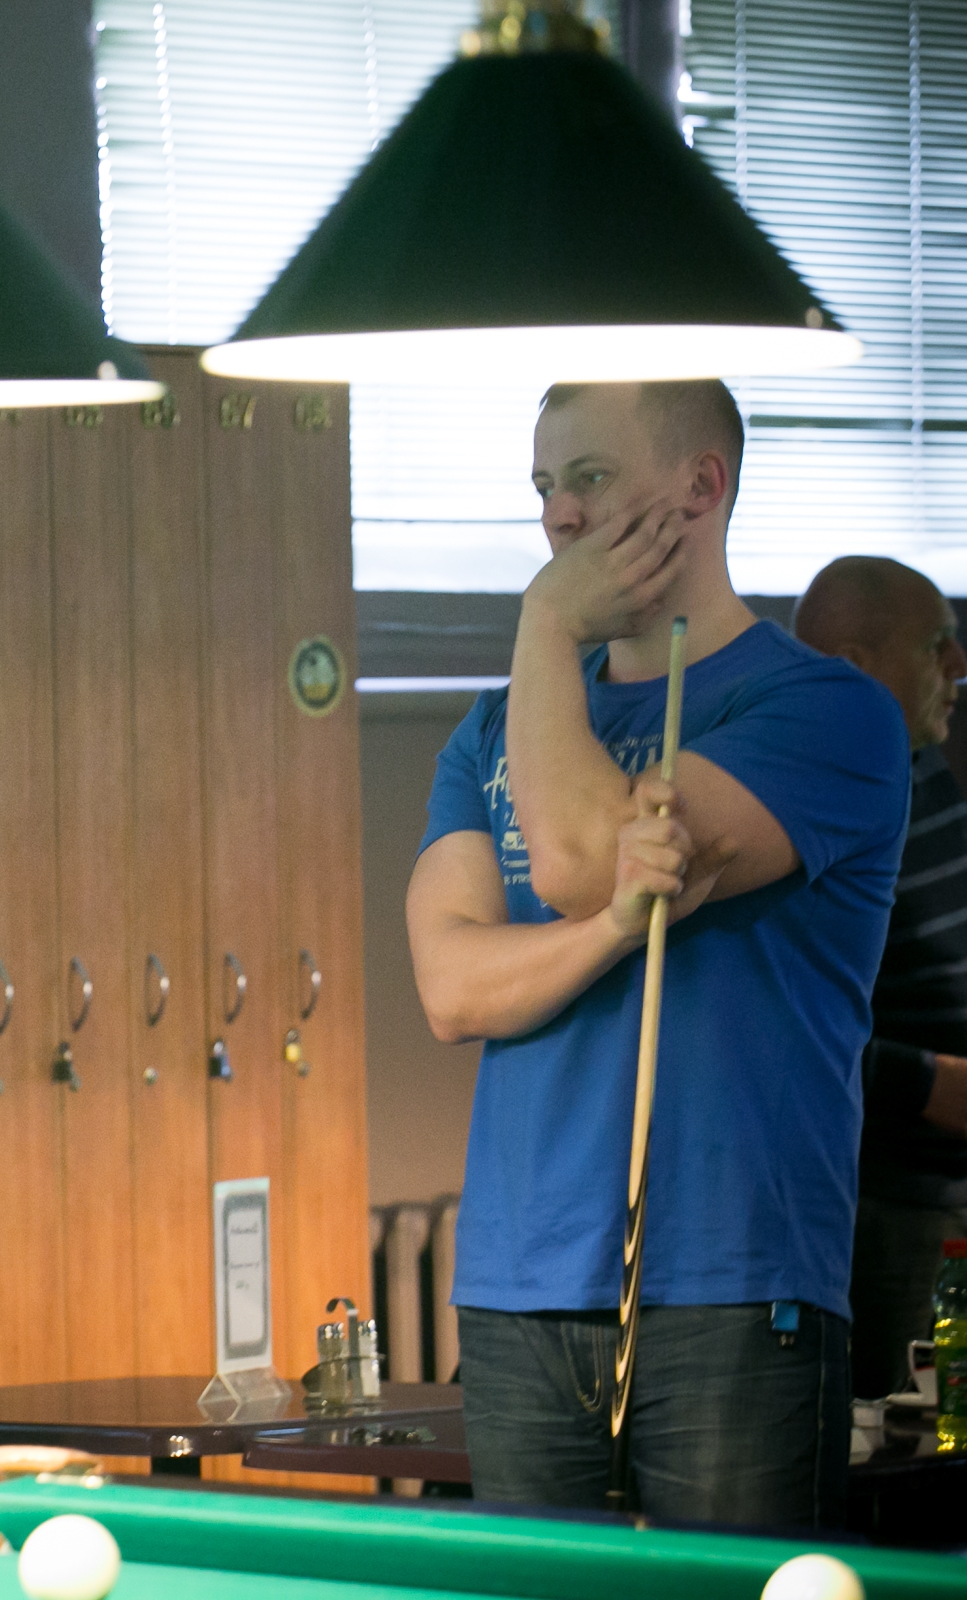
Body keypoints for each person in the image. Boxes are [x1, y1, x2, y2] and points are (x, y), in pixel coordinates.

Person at [406, 379, 910, 1526]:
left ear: (702, 484)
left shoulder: (828, 712)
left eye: (590, 477)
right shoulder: (490, 730)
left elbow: (577, 856)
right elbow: (452, 988)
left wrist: (547, 623)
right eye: (545, 486)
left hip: (736, 1283)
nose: (559, 516)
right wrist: (616, 928)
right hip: (520, 1286)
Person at [792, 555, 967, 1400]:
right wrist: (928, 1081)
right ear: (857, 670)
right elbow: (779, 1025)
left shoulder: (922, 768)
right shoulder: (808, 811)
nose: (958, 665)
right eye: (937, 644)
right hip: (900, 1212)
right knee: (928, 1442)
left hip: (949, 1198)